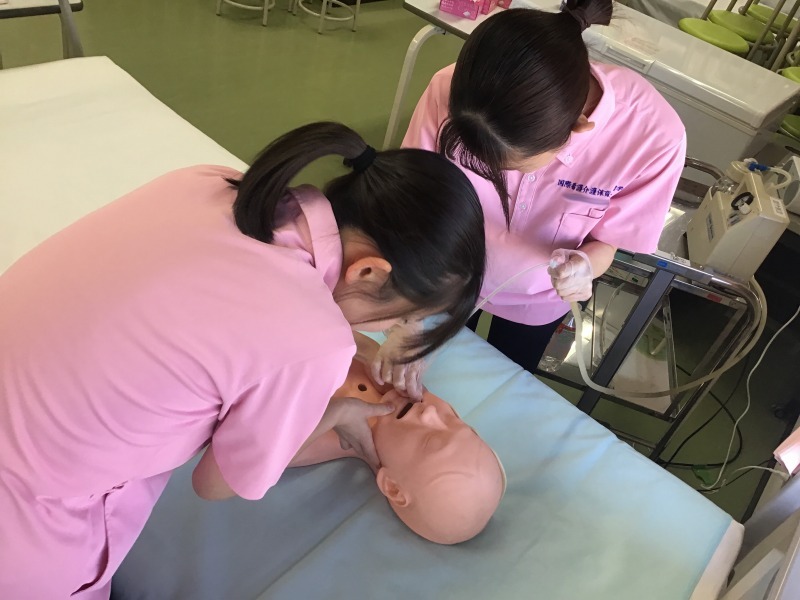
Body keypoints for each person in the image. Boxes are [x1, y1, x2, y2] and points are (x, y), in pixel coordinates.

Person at [0, 122, 485, 597]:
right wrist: (335, 414)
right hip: (27, 518)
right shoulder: (315, 347)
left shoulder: (211, 181)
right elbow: (216, 482)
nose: (433, 413)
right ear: (368, 272)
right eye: (399, 317)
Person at [372, 0, 686, 394]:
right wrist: (410, 316)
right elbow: (417, 206)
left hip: (536, 300)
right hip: (442, 278)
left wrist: (585, 266)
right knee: (423, 383)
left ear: (577, 130)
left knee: (494, 389)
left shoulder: (652, 137)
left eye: (512, 167)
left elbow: (608, 241)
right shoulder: (453, 91)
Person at [290, 333, 506, 545]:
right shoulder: (397, 382)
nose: (430, 413)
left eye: (429, 440)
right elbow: (325, 328)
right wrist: (370, 351)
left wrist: (337, 413)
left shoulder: (332, 437)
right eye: (454, 420)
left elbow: (273, 450)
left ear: (392, 487)